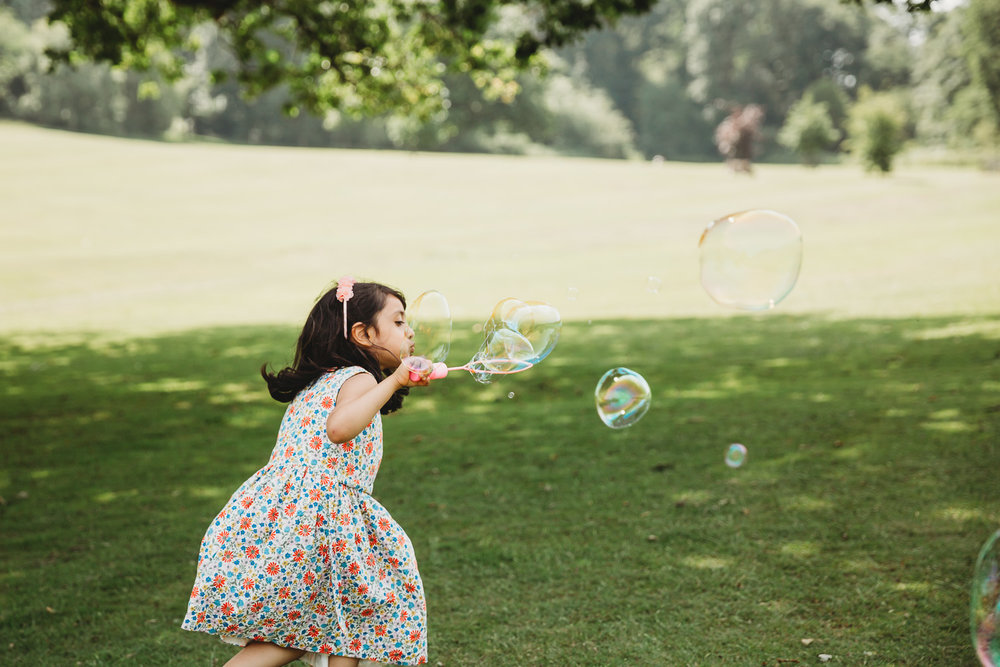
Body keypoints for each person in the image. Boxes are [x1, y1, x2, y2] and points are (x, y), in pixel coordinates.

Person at [182, 277, 430, 667]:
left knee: (338, 627)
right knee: (338, 624)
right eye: (399, 322)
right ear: (363, 334)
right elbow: (339, 428)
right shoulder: (357, 378)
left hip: (289, 514)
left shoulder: (319, 381)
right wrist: (397, 378)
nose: (410, 331)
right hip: (323, 519)